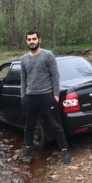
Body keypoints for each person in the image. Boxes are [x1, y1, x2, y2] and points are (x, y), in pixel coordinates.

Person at [18, 29, 71, 164]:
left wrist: (56, 95)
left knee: (55, 124)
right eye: (29, 39)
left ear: (39, 40)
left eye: (34, 39)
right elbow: (23, 80)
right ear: (26, 41)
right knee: (29, 125)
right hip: (30, 97)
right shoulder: (24, 59)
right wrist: (23, 96)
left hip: (47, 95)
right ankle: (28, 147)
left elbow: (55, 76)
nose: (31, 41)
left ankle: (64, 150)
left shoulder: (48, 55)